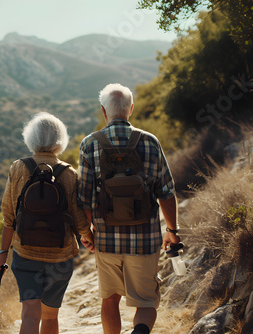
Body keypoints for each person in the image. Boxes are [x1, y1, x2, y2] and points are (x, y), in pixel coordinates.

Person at [77, 83, 181, 334]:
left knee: (110, 298)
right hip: (145, 240)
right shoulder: (150, 142)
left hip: (106, 240)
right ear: (131, 109)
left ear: (104, 111)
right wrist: (172, 230)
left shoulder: (89, 144)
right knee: (145, 301)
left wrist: (87, 234)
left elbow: (85, 199)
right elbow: (166, 192)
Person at [0, 112, 94, 334]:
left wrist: (2, 256)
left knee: (30, 313)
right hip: (60, 257)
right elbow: (78, 218)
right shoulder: (69, 174)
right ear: (60, 139)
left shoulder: (18, 168)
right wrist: (89, 238)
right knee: (50, 317)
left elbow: (8, 216)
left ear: (30, 138)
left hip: (25, 254)